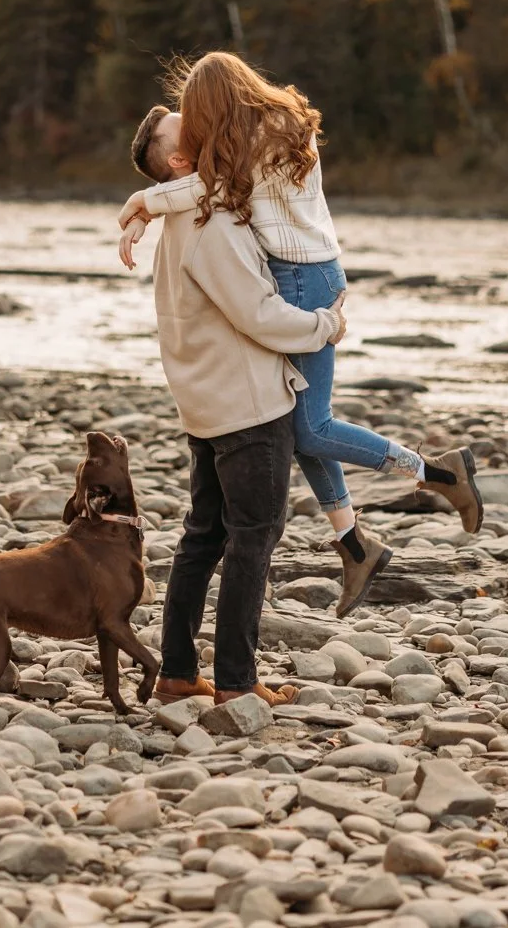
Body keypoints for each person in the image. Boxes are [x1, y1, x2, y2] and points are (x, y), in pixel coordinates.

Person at [119, 54, 482, 618]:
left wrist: (144, 204)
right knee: (299, 422)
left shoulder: (262, 140)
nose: (194, 125)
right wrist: (148, 208)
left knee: (308, 428)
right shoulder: (270, 124)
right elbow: (206, 186)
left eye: (196, 112)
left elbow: (209, 187)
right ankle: (355, 544)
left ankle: (436, 472)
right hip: (306, 272)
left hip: (303, 279)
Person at [130, 104, 347, 707]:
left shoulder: (183, 217)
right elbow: (258, 314)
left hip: (205, 404)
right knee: (252, 539)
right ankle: (235, 682)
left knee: (202, 537)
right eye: (188, 127)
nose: (204, 124)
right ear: (178, 160)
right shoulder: (210, 223)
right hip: (248, 407)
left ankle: (177, 673)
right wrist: (323, 326)